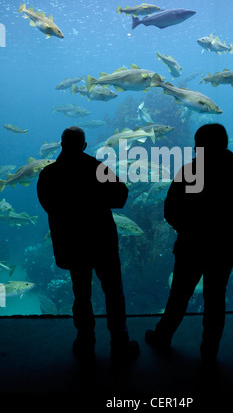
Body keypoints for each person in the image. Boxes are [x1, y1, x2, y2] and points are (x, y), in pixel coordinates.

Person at [145, 123, 233, 362]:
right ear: (225, 144)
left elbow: (170, 210)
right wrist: (223, 226)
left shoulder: (187, 172)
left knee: (178, 298)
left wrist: (186, 228)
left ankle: (162, 337)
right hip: (223, 249)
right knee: (215, 302)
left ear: (198, 146)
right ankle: (209, 352)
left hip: (190, 247)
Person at [37, 126, 139, 362]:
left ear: (61, 144)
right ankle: (120, 344)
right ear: (84, 145)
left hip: (72, 244)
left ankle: (85, 343)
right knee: (114, 293)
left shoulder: (49, 174)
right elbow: (121, 197)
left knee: (81, 295)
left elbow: (48, 204)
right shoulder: (97, 168)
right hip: (101, 241)